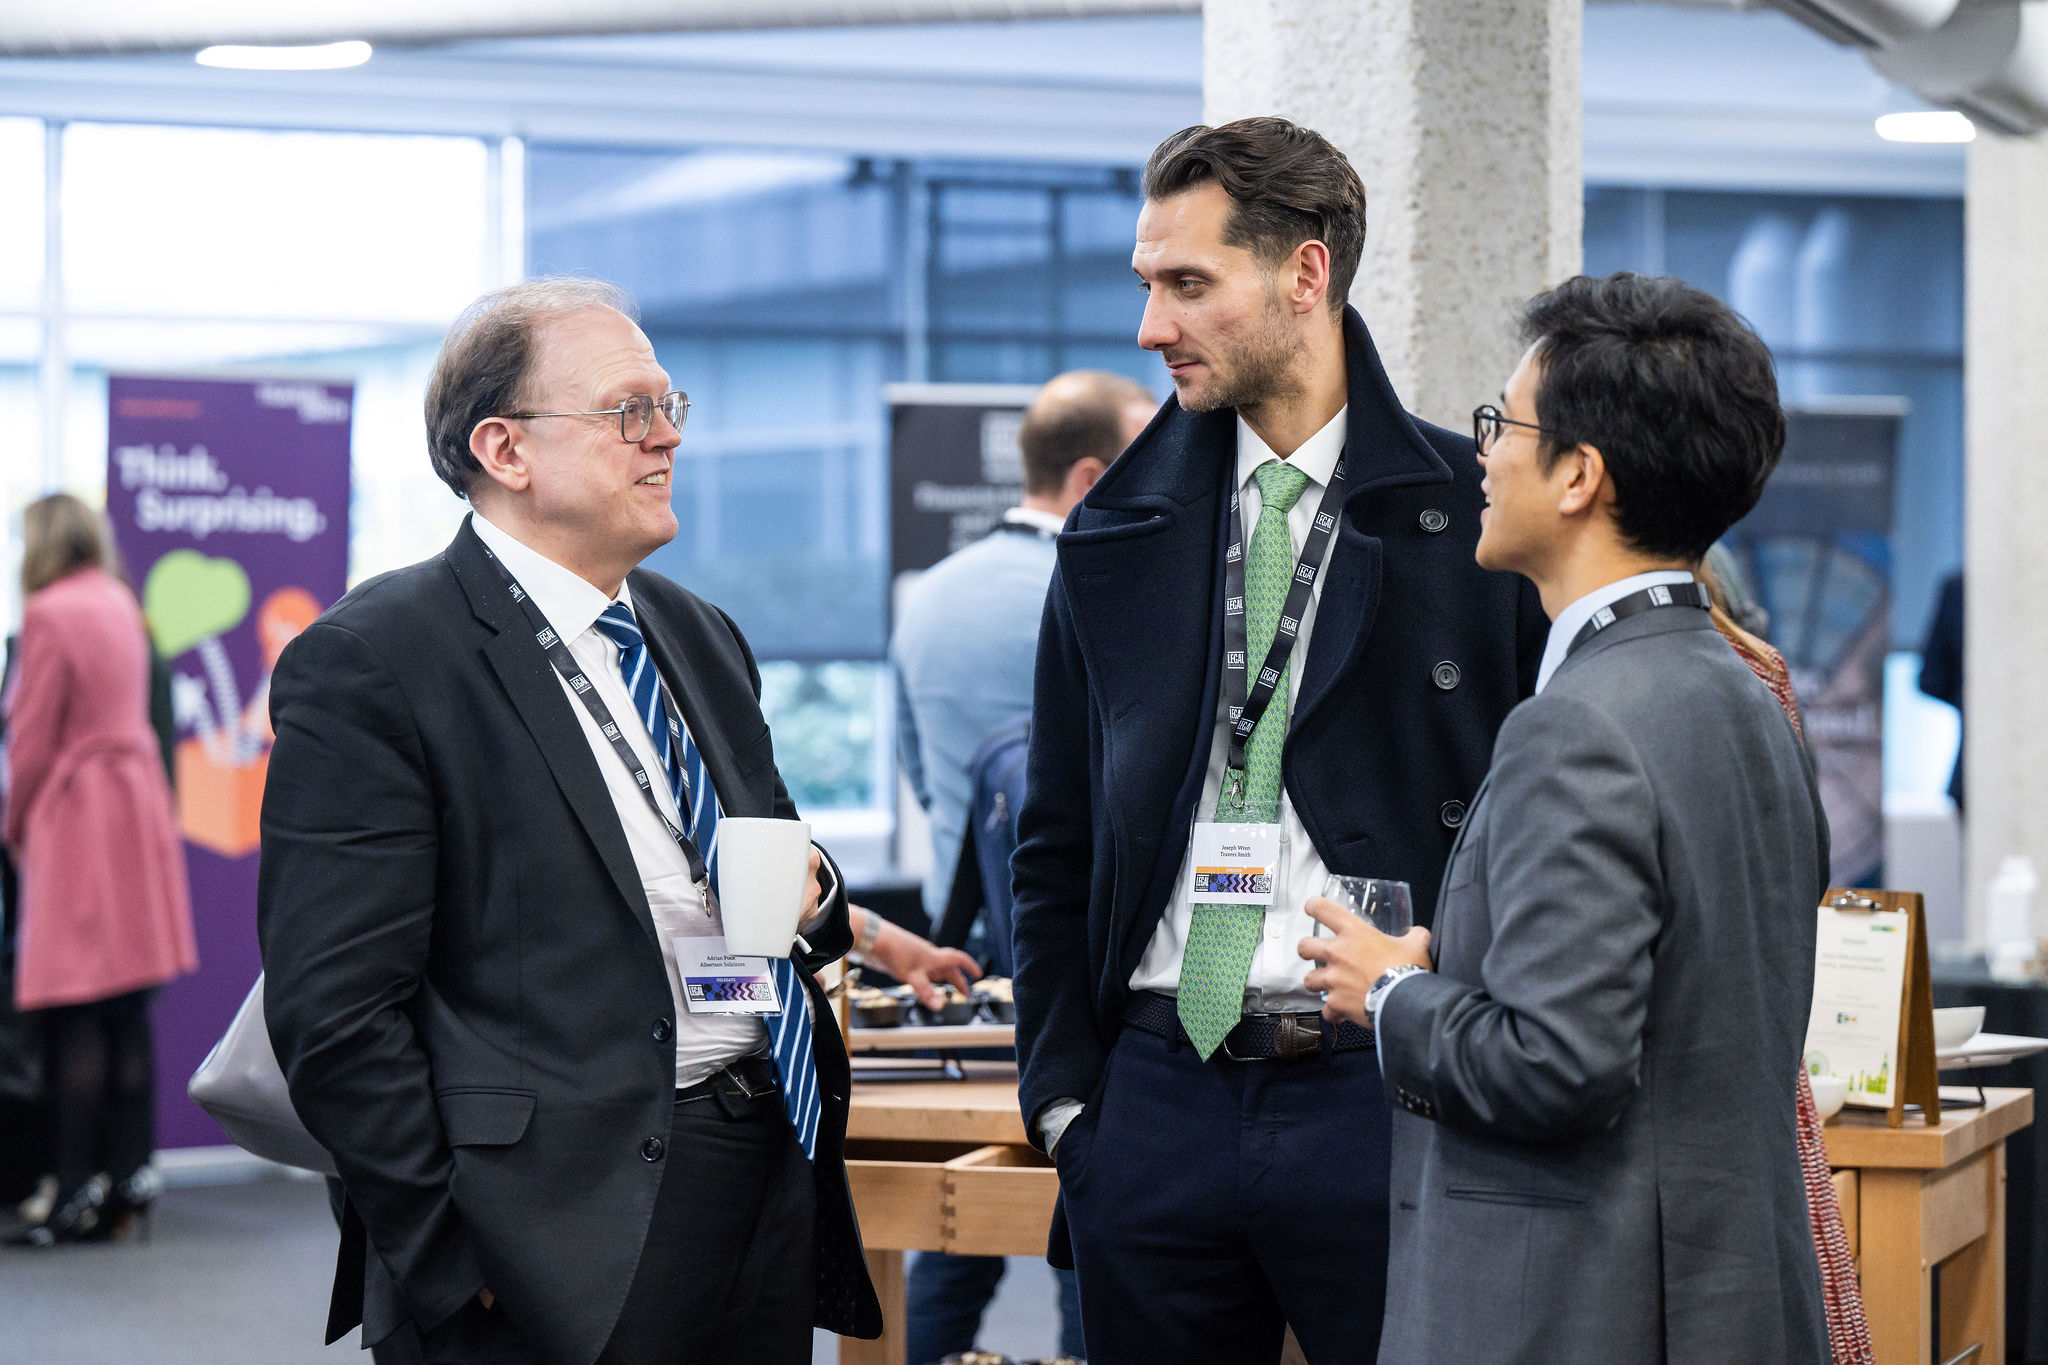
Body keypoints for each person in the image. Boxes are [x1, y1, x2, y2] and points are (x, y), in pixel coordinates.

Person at [258, 278, 880, 1365]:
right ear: (505, 450)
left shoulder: (698, 632)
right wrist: (450, 1258)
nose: (666, 437)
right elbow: (336, 1013)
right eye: (629, 411)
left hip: (762, 1160)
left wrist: (814, 892)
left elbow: (768, 852)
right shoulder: (378, 659)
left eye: (668, 406)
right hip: (549, 1221)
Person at [1010, 118, 1544, 1365]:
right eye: (1145, 284)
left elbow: (1534, 838)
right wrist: (1067, 1106)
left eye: (1187, 284)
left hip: (1384, 1090)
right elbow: (1054, 841)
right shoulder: (1113, 529)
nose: (1150, 327)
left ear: (1305, 274)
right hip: (1153, 1103)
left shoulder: (1474, 523)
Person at [1301, 272, 1831, 1362]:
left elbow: (1556, 1066)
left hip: (1585, 1307)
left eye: (1503, 424)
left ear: (1580, 475)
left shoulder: (1577, 725)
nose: (1483, 454)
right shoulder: (1745, 691)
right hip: (1725, 1296)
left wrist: (1390, 992)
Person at [892, 369, 1151, 1365]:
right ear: (1089, 479)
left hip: (965, 963)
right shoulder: (1108, 589)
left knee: (951, 1228)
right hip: (1084, 964)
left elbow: (923, 775)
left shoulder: (929, 597)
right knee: (1088, 1207)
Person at [1, 493, 196, 1247]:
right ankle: (131, 1175)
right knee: (126, 1006)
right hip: (134, 809)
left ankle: (75, 1188)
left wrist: (13, 825)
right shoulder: (120, 602)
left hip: (78, 815)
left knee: (78, 1009)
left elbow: (29, 740)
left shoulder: (49, 613)